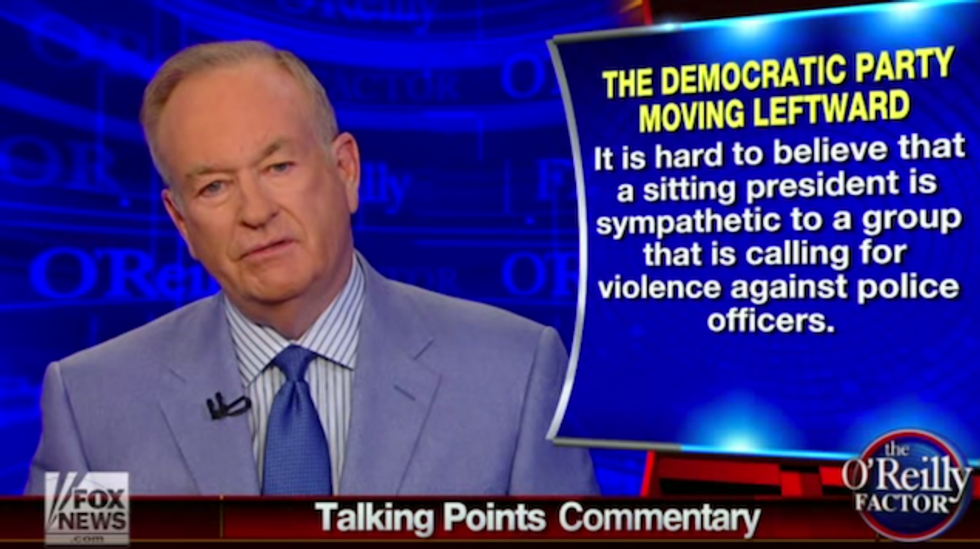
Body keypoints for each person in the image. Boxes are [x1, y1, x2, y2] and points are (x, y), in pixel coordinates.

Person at [24, 40, 598, 496]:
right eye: (215, 186)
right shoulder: (92, 403)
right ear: (181, 222)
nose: (255, 212)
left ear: (346, 170)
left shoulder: (514, 373)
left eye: (278, 167)